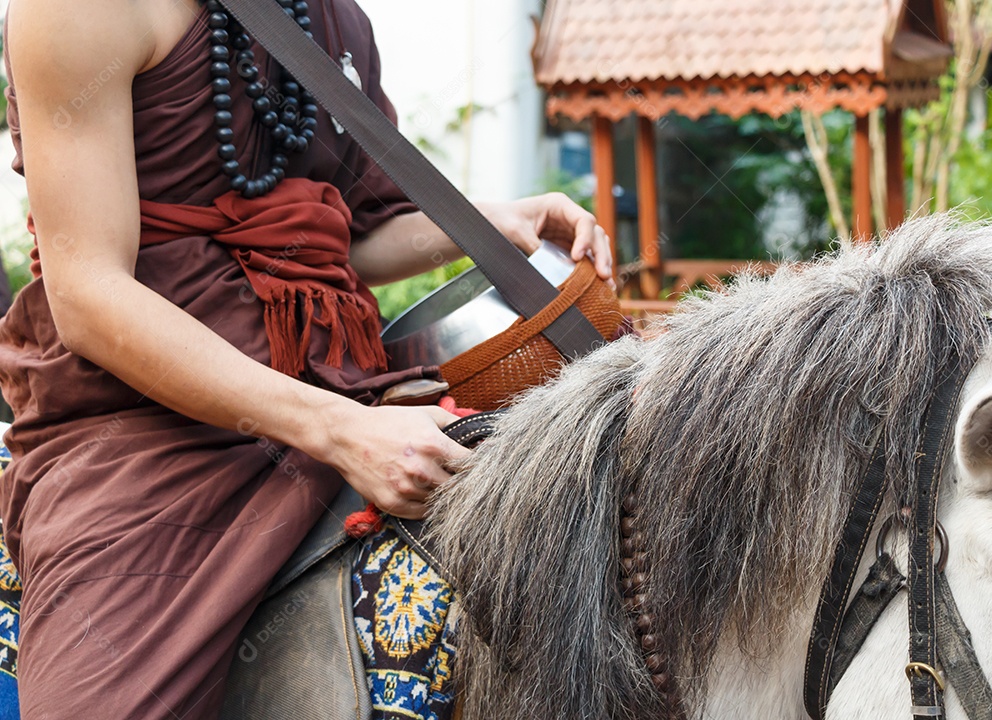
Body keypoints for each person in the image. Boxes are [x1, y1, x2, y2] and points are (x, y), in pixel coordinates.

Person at [0, 0, 614, 716]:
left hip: (353, 384)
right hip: (149, 425)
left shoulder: (331, 15)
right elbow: (90, 295)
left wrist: (487, 225)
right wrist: (338, 432)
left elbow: (342, 238)